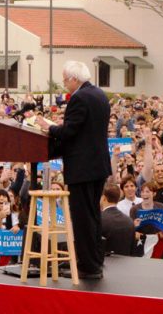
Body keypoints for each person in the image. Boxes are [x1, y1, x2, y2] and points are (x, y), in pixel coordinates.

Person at [38, 61, 111, 279]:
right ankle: (94, 260)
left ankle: (88, 266)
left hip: (83, 167)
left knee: (83, 218)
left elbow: (70, 131)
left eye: (64, 79)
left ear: (73, 79)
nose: (64, 84)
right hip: (97, 165)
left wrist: (48, 127)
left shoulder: (79, 98)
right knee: (93, 215)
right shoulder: (99, 94)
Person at [100, 184, 135, 256]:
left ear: (104, 198)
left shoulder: (99, 220)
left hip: (106, 264)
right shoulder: (129, 221)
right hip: (126, 263)